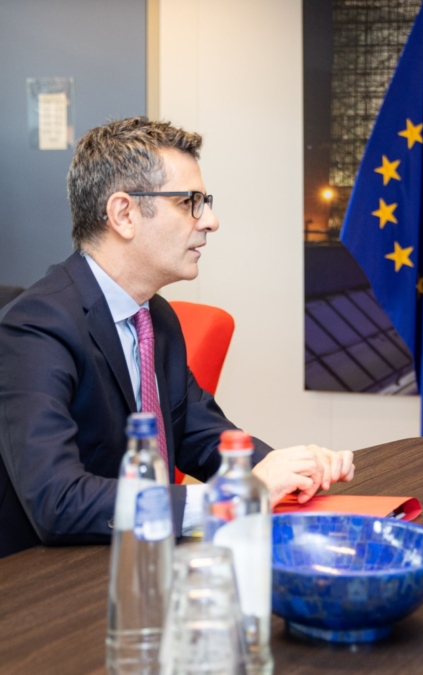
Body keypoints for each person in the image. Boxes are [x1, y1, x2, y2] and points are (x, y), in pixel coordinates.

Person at [0, 117, 355, 558]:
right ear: (124, 214)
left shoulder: (154, 315)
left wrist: (289, 469)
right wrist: (234, 497)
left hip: (138, 561)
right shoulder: (34, 327)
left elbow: (198, 434)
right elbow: (57, 502)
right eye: (190, 202)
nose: (211, 221)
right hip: (47, 588)